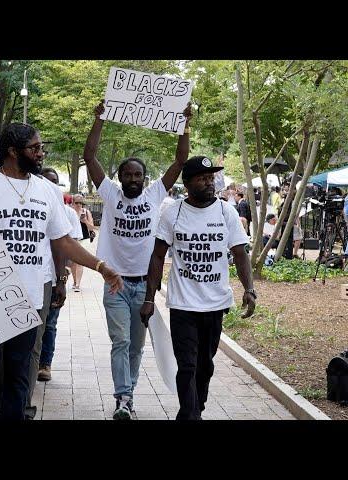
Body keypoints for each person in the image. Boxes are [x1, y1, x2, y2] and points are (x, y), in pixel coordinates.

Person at [0, 122, 123, 422]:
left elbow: (62, 240)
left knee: (19, 374)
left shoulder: (48, 191)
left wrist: (100, 267)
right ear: (13, 151)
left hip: (29, 299)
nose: (41, 154)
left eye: (41, 148)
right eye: (35, 148)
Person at [83, 99, 192, 420]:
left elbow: (180, 160)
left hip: (144, 287)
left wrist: (185, 125)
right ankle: (123, 398)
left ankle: (127, 395)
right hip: (114, 284)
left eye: (138, 175)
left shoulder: (156, 195)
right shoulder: (110, 193)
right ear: (119, 177)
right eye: (128, 175)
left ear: (145, 179)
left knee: (136, 347)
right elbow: (90, 156)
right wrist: (99, 118)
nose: (133, 179)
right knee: (120, 342)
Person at [140, 155, 256, 420]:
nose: (209, 182)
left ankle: (196, 408)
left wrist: (249, 289)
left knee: (205, 365)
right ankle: (189, 415)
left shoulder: (226, 211)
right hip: (182, 303)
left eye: (211, 178)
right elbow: (158, 256)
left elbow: (240, 252)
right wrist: (149, 298)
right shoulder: (173, 212)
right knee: (187, 364)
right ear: (188, 183)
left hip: (215, 303)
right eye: (202, 178)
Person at [37, 168, 83, 383]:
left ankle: (45, 364)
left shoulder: (68, 214)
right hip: (34, 277)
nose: (50, 185)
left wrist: (62, 278)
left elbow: (69, 247)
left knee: (50, 324)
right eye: (45, 180)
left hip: (55, 277)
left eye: (54, 181)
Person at [69, 194, 96, 292]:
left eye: (81, 203)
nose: (79, 205)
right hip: (72, 239)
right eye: (77, 203)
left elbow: (92, 227)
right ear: (72, 203)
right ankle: (75, 280)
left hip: (84, 239)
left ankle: (77, 284)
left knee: (79, 262)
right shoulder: (69, 212)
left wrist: (84, 221)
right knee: (72, 263)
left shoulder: (86, 212)